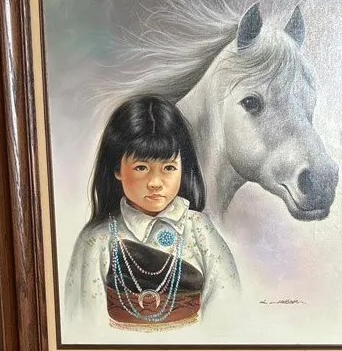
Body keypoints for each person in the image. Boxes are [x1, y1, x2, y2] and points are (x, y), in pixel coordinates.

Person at [64, 96, 239, 332]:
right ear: (117, 168)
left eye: (169, 168)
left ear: (183, 168)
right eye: (141, 168)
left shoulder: (199, 229)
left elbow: (227, 309)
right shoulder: (98, 239)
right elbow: (83, 323)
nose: (155, 182)